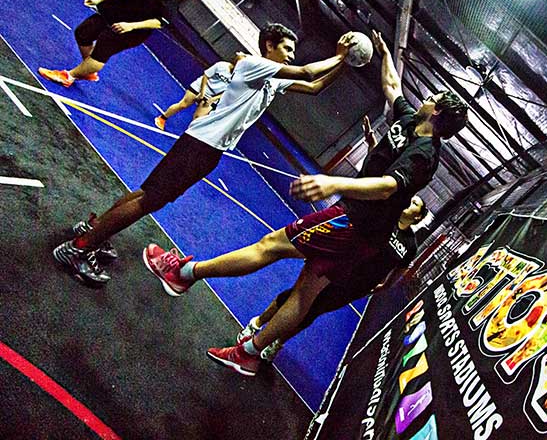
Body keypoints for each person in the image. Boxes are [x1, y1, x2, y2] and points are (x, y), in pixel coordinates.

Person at [141, 29, 469, 376]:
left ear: (437, 114)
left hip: (356, 222)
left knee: (271, 246)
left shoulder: (424, 155)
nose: (426, 97)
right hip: (361, 230)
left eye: (433, 98)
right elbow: (391, 86)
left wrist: (333, 181)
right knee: (305, 292)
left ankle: (184, 274)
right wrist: (387, 53)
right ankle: (250, 353)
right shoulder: (409, 119)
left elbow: (388, 187)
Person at [53, 24, 354, 285]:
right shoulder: (253, 65)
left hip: (206, 146)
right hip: (202, 144)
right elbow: (306, 71)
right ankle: (79, 248)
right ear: (269, 46)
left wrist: (346, 62)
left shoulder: (273, 80)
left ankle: (93, 230)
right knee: (149, 201)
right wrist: (339, 54)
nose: (291, 55)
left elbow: (314, 86)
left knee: (145, 194)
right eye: (286, 49)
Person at [228, 195, 427, 363]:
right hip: (338, 268)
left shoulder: (410, 246)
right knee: (293, 297)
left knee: (312, 312)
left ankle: (277, 343)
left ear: (418, 217)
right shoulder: (383, 222)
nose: (410, 201)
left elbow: (398, 271)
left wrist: (383, 286)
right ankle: (256, 324)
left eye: (415, 203)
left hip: (354, 287)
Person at [38, 0, 189, 88]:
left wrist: (130, 26)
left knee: (101, 52)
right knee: (83, 33)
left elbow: (158, 23)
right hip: (110, 14)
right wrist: (100, 0)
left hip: (128, 31)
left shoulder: (169, 3)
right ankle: (88, 70)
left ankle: (68, 76)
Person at [154, 54, 245, 130]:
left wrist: (213, 99)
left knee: (198, 120)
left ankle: (188, 137)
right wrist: (201, 93)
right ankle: (162, 118)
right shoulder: (221, 65)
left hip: (212, 96)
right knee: (183, 105)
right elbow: (206, 77)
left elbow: (228, 91)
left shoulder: (238, 77)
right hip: (199, 88)